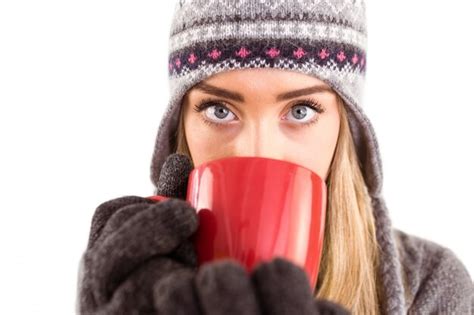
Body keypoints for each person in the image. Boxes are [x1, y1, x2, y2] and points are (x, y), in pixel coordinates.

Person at [77, 1, 474, 314]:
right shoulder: (135, 275)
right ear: (180, 123)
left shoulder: (427, 285)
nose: (258, 151)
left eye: (300, 111)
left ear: (345, 125)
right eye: (219, 110)